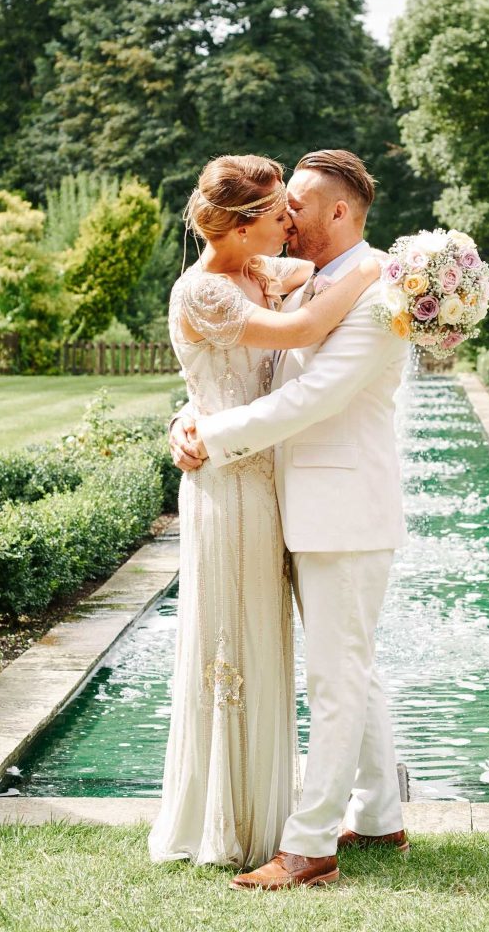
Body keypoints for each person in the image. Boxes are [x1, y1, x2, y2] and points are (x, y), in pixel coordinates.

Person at [170, 149, 410, 889]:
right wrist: (194, 412)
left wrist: (211, 435)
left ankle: (308, 850)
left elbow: (308, 400)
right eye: (281, 208)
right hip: (295, 505)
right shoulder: (312, 280)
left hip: (340, 512)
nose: (289, 217)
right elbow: (249, 366)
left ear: (340, 213)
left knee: (336, 681)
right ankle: (377, 816)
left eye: (299, 206)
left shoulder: (371, 294)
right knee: (353, 675)